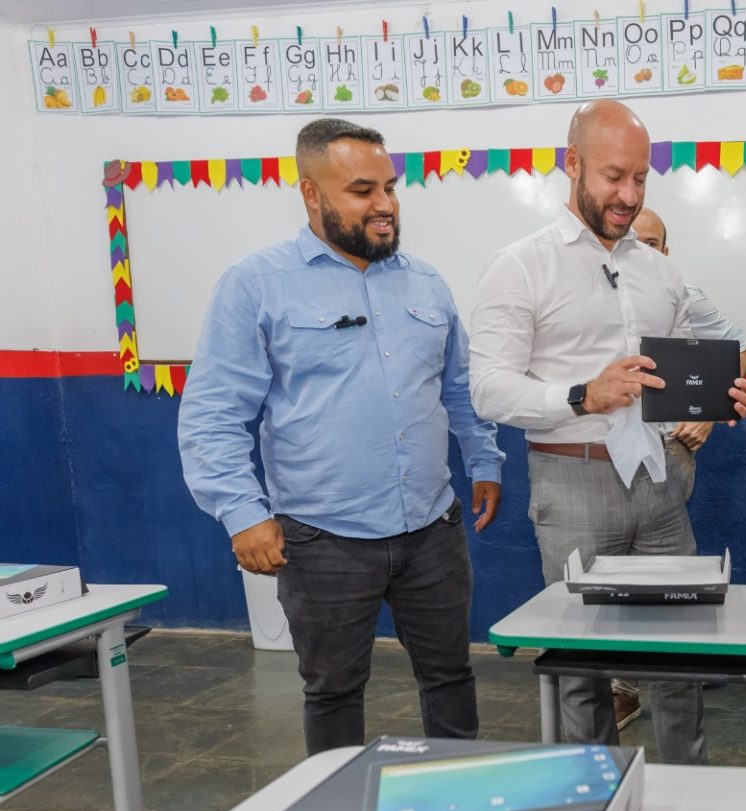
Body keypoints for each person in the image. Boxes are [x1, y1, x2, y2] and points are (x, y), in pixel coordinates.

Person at [178, 118, 505, 755]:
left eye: (389, 187)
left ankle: (458, 791)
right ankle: (333, 805)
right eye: (362, 190)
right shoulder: (257, 285)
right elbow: (213, 413)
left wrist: (484, 458)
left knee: (450, 676)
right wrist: (243, 513)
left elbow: (458, 386)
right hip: (322, 539)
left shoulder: (426, 282)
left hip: (431, 529)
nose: (384, 205)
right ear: (311, 193)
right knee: (333, 691)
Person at [468, 100, 746, 766]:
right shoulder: (520, 266)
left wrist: (716, 401)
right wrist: (581, 394)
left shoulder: (662, 272)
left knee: (681, 658)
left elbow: (686, 370)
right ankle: (596, 797)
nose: (628, 195)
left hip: (660, 478)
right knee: (581, 670)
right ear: (572, 165)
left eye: (641, 179)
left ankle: (688, 786)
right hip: (571, 482)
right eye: (613, 177)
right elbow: (488, 388)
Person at [602, 207, 746, 729]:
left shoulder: (684, 294)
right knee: (608, 575)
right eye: (631, 239)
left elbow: (743, 347)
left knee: (656, 578)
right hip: (599, 459)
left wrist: (710, 413)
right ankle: (621, 684)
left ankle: (641, 685)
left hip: (668, 453)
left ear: (666, 253)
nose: (639, 250)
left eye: (650, 243)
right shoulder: (592, 293)